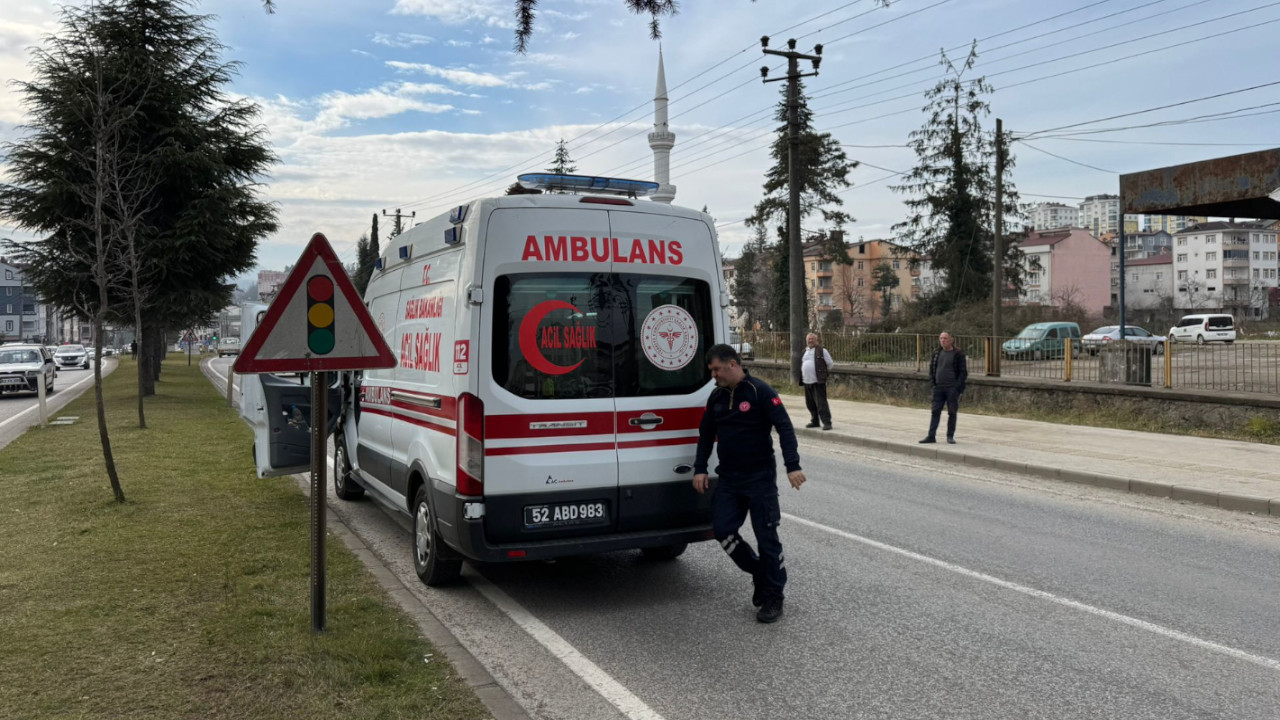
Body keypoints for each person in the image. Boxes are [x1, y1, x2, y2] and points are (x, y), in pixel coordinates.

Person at [693, 344, 806, 624]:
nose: (713, 375)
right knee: (723, 530)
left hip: (759, 479)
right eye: (711, 371)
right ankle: (758, 572)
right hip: (730, 479)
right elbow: (706, 435)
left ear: (733, 364)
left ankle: (774, 595)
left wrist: (792, 466)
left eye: (716, 369)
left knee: (767, 538)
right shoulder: (716, 397)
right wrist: (699, 469)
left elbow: (784, 427)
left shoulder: (760, 392)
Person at [920, 331, 967, 445]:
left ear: (951, 340)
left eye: (945, 338)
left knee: (952, 412)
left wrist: (957, 388)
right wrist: (933, 383)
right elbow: (932, 368)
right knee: (935, 411)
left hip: (952, 388)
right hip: (938, 388)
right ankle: (931, 436)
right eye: (941, 338)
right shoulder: (936, 353)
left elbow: (963, 372)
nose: (942, 340)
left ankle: (950, 436)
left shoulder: (958, 354)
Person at [801, 332, 834, 430]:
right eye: (809, 339)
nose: (810, 341)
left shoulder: (822, 350)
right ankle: (815, 421)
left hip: (818, 381)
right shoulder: (805, 351)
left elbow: (830, 364)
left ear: (816, 340)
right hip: (807, 381)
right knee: (810, 403)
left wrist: (823, 374)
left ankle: (827, 422)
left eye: (812, 339)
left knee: (821, 403)